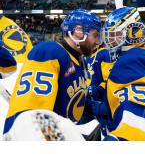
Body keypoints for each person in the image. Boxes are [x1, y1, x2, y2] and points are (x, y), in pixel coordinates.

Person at [3, 9, 102, 140]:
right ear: (79, 32)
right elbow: (33, 114)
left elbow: (72, 103)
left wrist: (100, 108)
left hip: (52, 132)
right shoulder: (50, 52)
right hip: (30, 136)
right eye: (95, 35)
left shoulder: (77, 60)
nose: (97, 41)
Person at [102, 7, 145, 141]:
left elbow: (141, 123)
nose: (111, 40)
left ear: (133, 32)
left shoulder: (130, 61)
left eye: (115, 34)